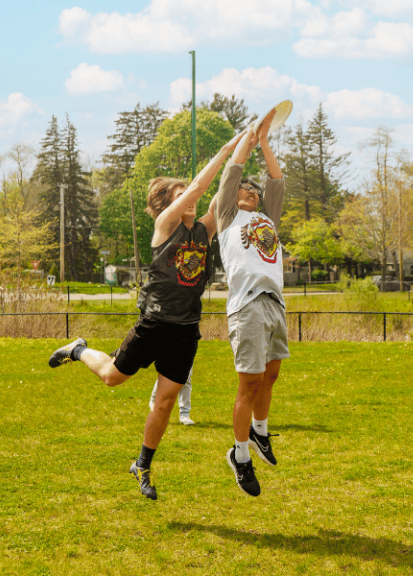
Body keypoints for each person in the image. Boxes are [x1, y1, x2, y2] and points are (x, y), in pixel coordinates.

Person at [48, 132, 243, 501]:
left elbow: (224, 188)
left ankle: (142, 463)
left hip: (186, 330)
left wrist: (249, 142)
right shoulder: (165, 227)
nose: (192, 198)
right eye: (181, 195)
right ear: (167, 205)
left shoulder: (204, 229)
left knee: (166, 402)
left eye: (190, 195)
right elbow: (204, 183)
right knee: (111, 378)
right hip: (153, 324)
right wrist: (224, 149)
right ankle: (78, 349)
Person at [214, 111, 288, 497]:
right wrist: (250, 135)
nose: (253, 191)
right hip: (247, 305)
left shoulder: (267, 217)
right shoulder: (227, 217)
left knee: (271, 377)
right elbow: (234, 168)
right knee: (250, 383)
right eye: (247, 189)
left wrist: (265, 141)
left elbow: (276, 179)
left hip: (275, 303)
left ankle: (260, 432)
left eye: (255, 191)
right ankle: (240, 456)